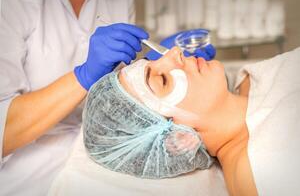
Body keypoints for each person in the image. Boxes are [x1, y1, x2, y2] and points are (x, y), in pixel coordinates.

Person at [0, 0, 216, 195]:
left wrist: (147, 62)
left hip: (110, 152)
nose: (177, 55)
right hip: (29, 175)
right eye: (162, 80)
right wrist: (84, 76)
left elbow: (123, 92)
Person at [80, 46, 300, 195]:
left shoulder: (248, 84)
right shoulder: (263, 167)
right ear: (178, 136)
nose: (174, 52)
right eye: (163, 80)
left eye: (153, 61)